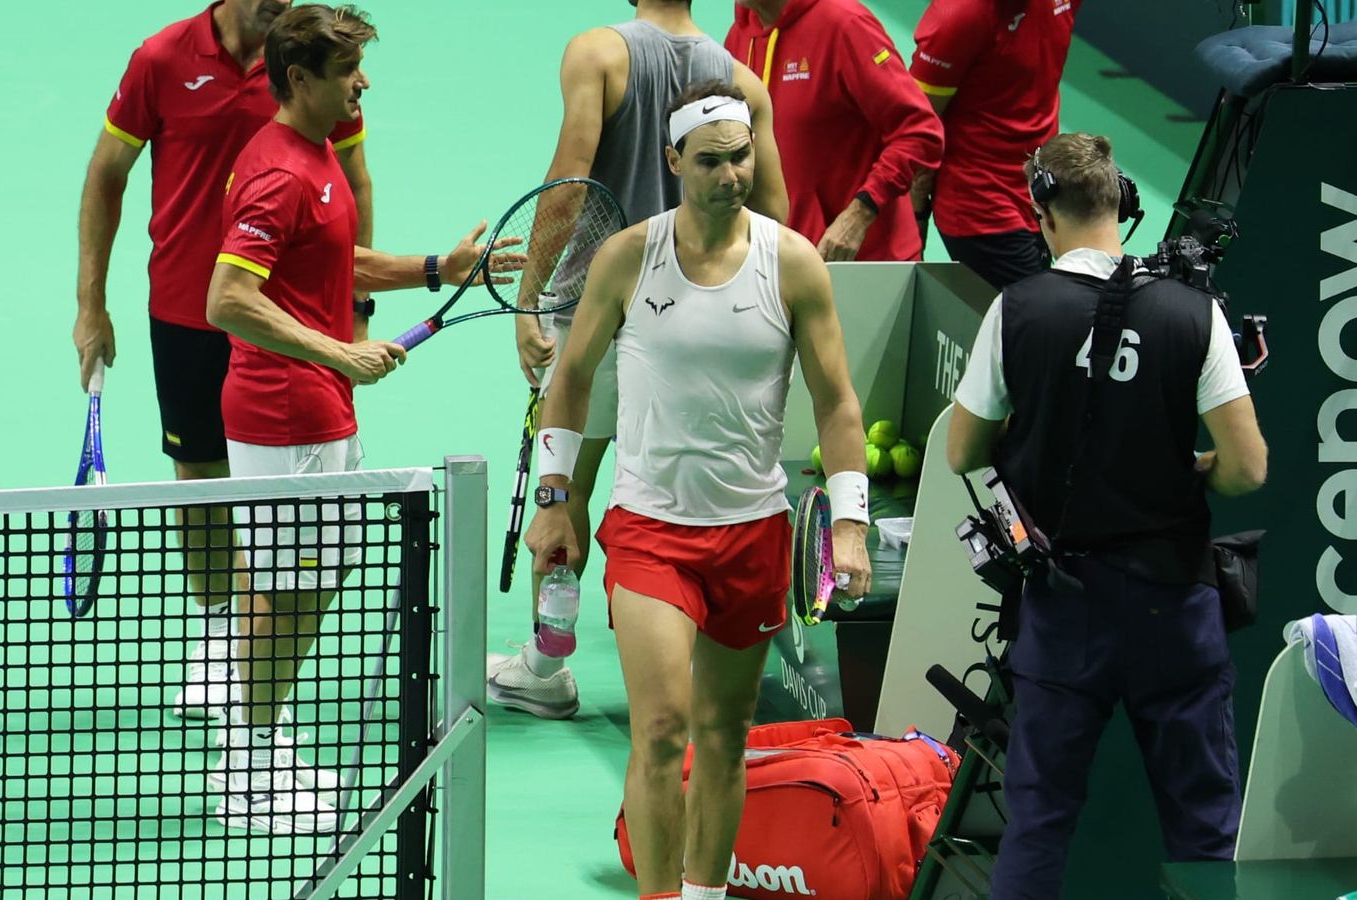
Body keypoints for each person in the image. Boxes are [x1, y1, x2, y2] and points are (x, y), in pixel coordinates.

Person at [523, 83, 871, 900]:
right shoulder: (628, 258)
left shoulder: (792, 263)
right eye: (710, 161)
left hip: (752, 531)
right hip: (650, 530)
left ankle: (705, 894)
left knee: (722, 736)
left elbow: (836, 402)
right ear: (674, 162)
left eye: (740, 157)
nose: (731, 175)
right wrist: (555, 498)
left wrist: (850, 522)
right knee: (661, 728)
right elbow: (571, 380)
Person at [204, 2, 521, 834]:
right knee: (289, 591)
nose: (364, 83)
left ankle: (257, 740)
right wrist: (338, 352)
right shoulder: (277, 172)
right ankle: (247, 773)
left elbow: (332, 257)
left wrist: (437, 268)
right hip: (285, 413)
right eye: (347, 71)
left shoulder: (313, 154)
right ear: (299, 78)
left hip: (315, 406)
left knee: (303, 584)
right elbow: (227, 299)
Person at [945, 133, 1268, 899]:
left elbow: (961, 452)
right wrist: (1191, 468)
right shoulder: (1194, 314)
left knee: (1038, 822)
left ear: (1041, 212)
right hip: (1174, 605)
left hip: (1064, 612)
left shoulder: (1016, 311)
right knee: (1205, 827)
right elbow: (1248, 468)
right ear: (1123, 205)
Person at [72, 0, 375, 723]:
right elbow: (107, 173)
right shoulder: (162, 59)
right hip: (189, 310)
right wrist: (91, 303)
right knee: (203, 484)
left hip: (286, 317)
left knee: (280, 496)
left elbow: (352, 179)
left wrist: (353, 305)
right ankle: (218, 634)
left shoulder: (310, 64)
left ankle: (254, 663)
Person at [489, 0, 790, 720]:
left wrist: (530, 298)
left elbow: (568, 185)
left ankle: (547, 668)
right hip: (698, 330)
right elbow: (775, 213)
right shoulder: (744, 82)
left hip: (598, 310)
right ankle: (693, 666)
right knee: (685, 495)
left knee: (567, 491)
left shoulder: (597, 54)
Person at [725, 0, 943, 261]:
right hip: (782, 260)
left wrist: (860, 214)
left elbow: (920, 130)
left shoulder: (846, 25)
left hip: (861, 259)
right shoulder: (740, 35)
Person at [910, 0, 1082, 288]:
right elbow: (916, 129)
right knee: (1037, 310)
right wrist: (914, 216)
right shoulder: (958, 16)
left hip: (1041, 191)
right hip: (982, 205)